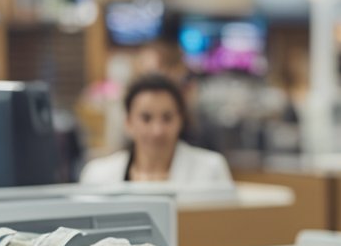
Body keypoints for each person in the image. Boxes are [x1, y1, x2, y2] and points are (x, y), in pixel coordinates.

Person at [79, 73, 233, 186]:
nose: (157, 130)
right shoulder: (97, 175)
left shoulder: (211, 169)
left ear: (181, 121)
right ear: (128, 122)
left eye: (167, 118)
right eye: (146, 118)